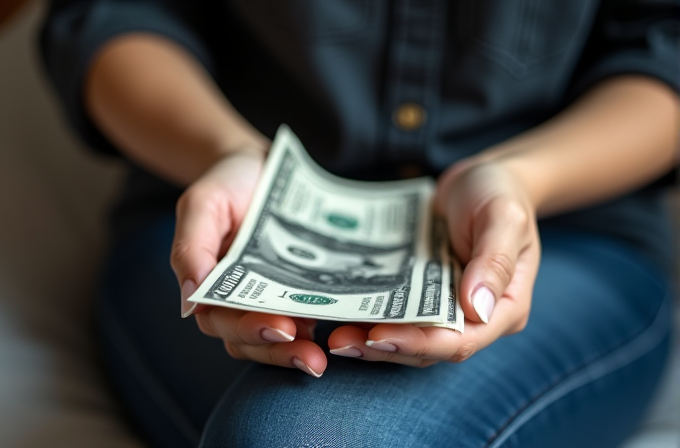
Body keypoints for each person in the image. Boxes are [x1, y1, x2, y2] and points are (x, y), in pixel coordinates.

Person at [39, 1, 679, 447]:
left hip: (566, 233)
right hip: (216, 223)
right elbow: (112, 13)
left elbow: (664, 43)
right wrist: (227, 155)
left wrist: (520, 177)